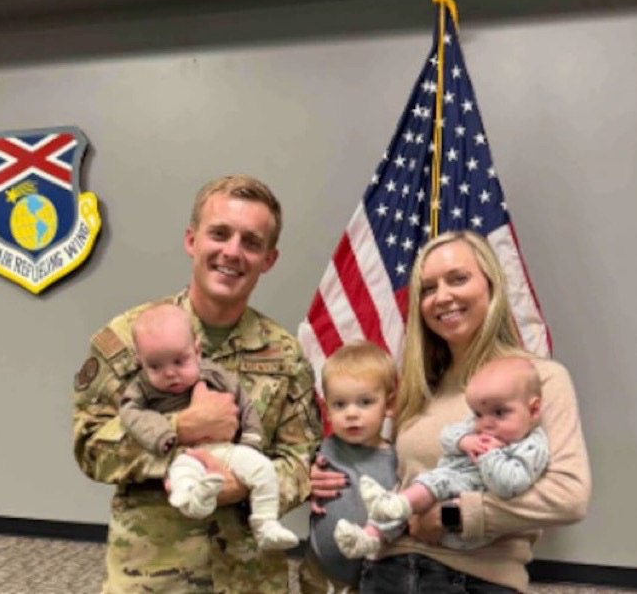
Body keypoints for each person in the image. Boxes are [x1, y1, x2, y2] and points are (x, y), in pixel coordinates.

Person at [72, 175, 322, 593]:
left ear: (269, 259)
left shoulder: (285, 354)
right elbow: (90, 446)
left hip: (250, 578)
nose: (232, 252)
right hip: (154, 575)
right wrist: (178, 429)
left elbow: (301, 461)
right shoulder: (129, 338)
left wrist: (241, 485)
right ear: (192, 240)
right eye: (219, 234)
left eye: (251, 242)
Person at [309, 230, 591, 593]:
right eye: (428, 288)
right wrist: (332, 472)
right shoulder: (420, 388)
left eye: (458, 279)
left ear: (491, 284)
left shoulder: (539, 378)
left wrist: (453, 515)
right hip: (383, 575)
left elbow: (568, 496)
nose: (442, 297)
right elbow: (396, 474)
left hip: (473, 579)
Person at [120, 302, 299, 551]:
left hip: (226, 451)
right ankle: (197, 500)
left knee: (262, 469)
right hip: (184, 453)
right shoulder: (142, 386)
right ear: (140, 362)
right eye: (156, 366)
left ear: (197, 350)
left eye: (179, 361)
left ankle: (266, 524)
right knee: (183, 479)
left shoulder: (216, 374)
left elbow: (245, 404)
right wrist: (170, 430)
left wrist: (251, 440)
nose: (170, 373)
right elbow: (129, 413)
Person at [334, 355, 549, 558]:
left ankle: (397, 505)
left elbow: (509, 485)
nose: (486, 423)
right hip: (432, 506)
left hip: (466, 510)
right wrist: (464, 441)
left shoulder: (531, 446)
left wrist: (489, 455)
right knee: (408, 490)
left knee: (429, 484)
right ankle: (369, 537)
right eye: (478, 414)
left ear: (533, 410)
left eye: (500, 413)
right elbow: (447, 436)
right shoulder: (481, 421)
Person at [299, 341, 400, 593]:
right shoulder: (321, 451)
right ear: (327, 410)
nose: (351, 413)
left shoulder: (397, 460)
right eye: (340, 404)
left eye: (365, 402)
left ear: (388, 405)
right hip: (318, 572)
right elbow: (291, 473)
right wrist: (305, 481)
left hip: (378, 576)